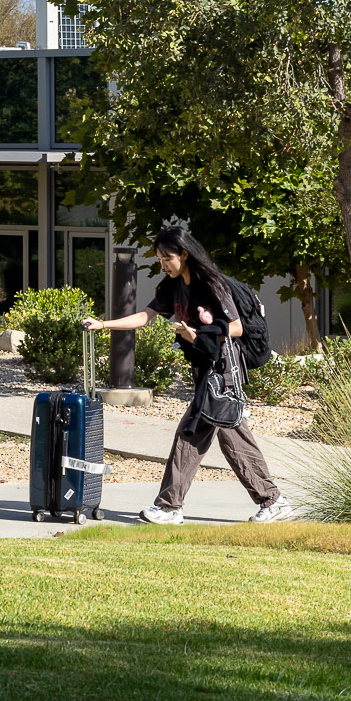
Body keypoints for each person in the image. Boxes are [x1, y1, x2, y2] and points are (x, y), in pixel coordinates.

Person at [84, 217, 291, 526]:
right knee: (233, 439)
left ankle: (169, 506)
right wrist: (103, 324)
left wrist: (200, 335)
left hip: (222, 372)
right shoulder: (172, 287)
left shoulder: (213, 286)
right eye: (159, 260)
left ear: (184, 254)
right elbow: (145, 316)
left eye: (167, 258)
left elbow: (235, 327)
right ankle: (272, 500)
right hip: (204, 371)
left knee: (190, 433)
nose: (163, 264)